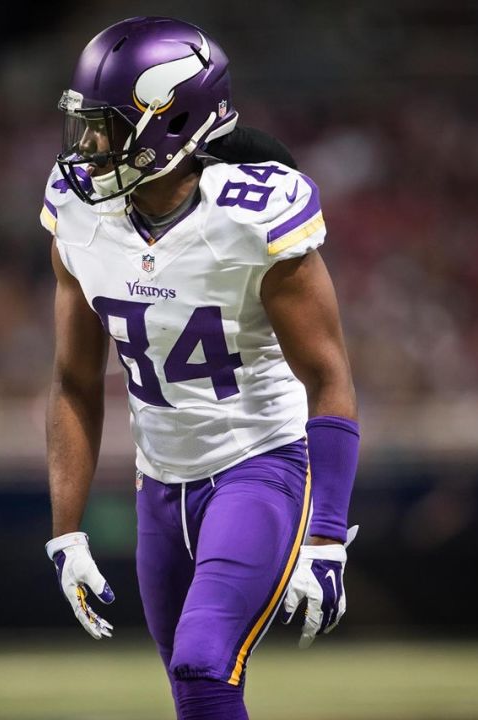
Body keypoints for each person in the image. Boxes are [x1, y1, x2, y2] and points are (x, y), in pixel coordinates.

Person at [40, 17, 359, 720]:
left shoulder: (251, 216)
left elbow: (329, 378)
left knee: (203, 664)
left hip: (261, 467)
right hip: (159, 486)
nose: (87, 146)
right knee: (195, 696)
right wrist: (66, 531)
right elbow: (73, 381)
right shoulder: (77, 216)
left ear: (169, 124)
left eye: (106, 127)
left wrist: (328, 533)